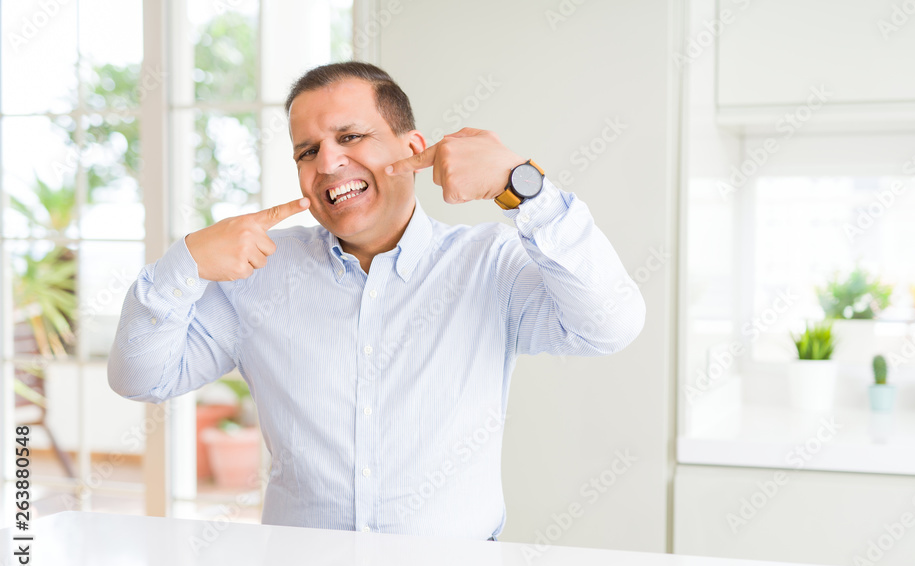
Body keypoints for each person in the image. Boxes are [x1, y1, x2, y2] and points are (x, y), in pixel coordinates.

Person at [108, 61, 645, 541]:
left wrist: (522, 185)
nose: (328, 162)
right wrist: (185, 263)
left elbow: (610, 324)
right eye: (308, 151)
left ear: (413, 151)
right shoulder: (259, 275)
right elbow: (141, 378)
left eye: (351, 136)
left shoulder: (490, 264)